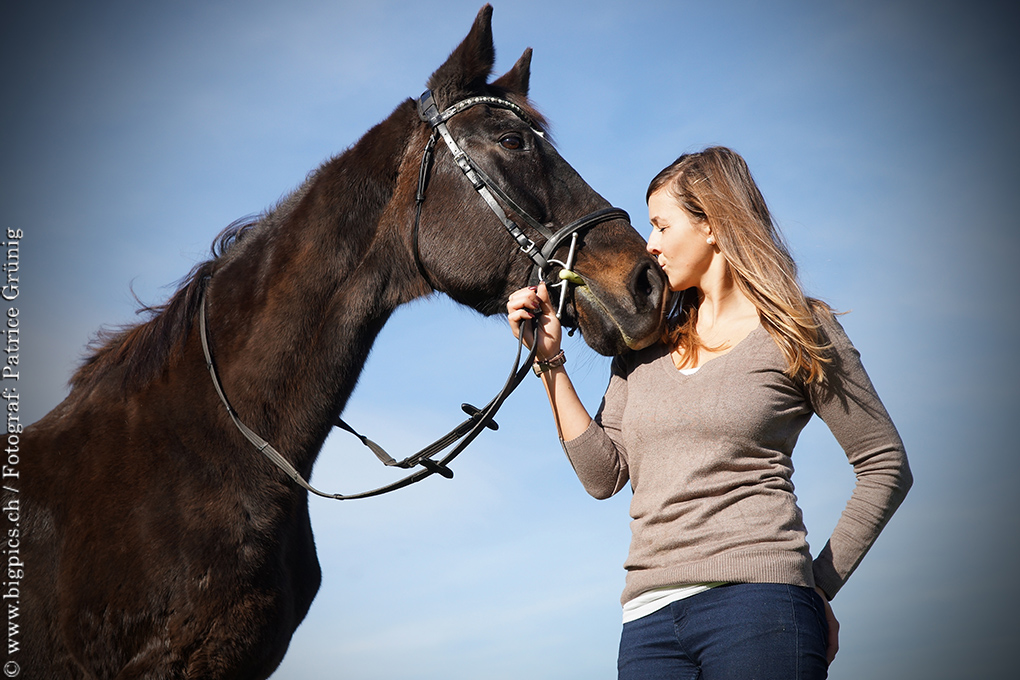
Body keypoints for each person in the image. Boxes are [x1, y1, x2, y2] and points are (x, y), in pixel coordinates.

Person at [507, 146, 911, 679]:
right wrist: (551, 363)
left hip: (761, 608)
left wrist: (817, 586)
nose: (649, 246)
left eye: (660, 225)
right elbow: (602, 475)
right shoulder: (644, 345)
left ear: (713, 225)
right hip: (647, 623)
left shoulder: (798, 330)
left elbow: (884, 464)